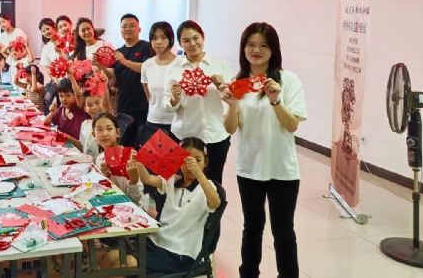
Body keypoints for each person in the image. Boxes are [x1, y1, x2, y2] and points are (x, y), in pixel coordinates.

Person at [221, 22, 306, 278]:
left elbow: (291, 125)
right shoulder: (239, 84)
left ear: (273, 50)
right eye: (251, 45)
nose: (256, 50)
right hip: (249, 168)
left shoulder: (288, 80)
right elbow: (230, 128)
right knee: (252, 228)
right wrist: (232, 105)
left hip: (282, 169)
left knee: (283, 232)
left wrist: (275, 101)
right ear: (243, 48)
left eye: (263, 45)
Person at [126, 137, 221, 273]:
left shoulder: (207, 187)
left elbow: (216, 203)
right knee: (114, 256)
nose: (190, 166)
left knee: (126, 262)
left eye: (197, 160)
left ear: (206, 162)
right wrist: (139, 162)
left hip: (180, 253)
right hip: (156, 241)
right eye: (185, 160)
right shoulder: (172, 180)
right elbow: (147, 179)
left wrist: (199, 174)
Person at [164, 20, 233, 184]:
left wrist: (222, 86)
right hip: (185, 136)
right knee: (185, 182)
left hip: (216, 135)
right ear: (180, 43)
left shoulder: (220, 65)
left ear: (203, 37)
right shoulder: (174, 69)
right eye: (186, 40)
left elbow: (233, 97)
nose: (192, 44)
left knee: (214, 183)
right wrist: (174, 99)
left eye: (196, 38)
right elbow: (167, 106)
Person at [112, 14, 153, 147]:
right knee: (124, 144)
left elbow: (146, 68)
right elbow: (112, 76)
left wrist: (125, 61)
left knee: (142, 145)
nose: (127, 29)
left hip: (143, 106)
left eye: (131, 26)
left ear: (139, 29)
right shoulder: (118, 51)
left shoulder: (147, 47)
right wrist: (99, 65)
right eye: (124, 26)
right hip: (123, 106)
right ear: (120, 30)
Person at [140, 21, 178, 145]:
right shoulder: (147, 65)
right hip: (153, 121)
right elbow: (148, 95)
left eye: (163, 37)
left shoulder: (181, 63)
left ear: (170, 39)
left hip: (177, 122)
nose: (158, 42)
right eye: (154, 38)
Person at [93, 113, 142, 203]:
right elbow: (105, 192)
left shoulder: (131, 158)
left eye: (109, 128)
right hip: (111, 203)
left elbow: (136, 200)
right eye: (99, 129)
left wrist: (134, 181)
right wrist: (106, 176)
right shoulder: (100, 158)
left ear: (118, 133)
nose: (105, 134)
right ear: (94, 135)